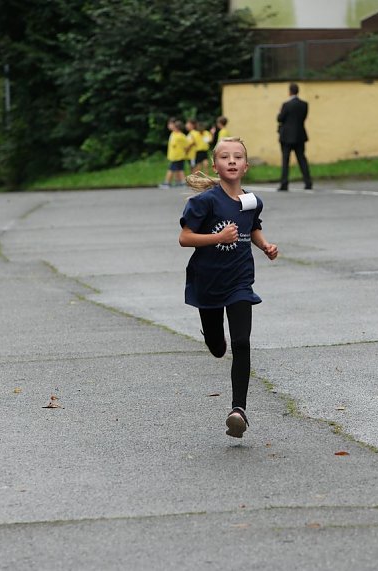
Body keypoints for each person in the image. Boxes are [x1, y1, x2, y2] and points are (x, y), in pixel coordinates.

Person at [179, 137, 278, 438]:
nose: (232, 161)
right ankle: (212, 337)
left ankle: (238, 411)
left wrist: (264, 246)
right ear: (215, 165)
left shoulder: (251, 200)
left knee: (242, 342)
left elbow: (253, 225)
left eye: (237, 157)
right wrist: (217, 238)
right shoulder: (204, 202)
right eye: (225, 157)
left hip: (239, 282)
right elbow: (185, 238)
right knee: (217, 346)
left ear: (246, 166)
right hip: (207, 282)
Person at [277, 83, 312, 191]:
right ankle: (308, 183)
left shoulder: (286, 105)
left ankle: (284, 184)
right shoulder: (304, 104)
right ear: (298, 91)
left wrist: (279, 113)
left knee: (285, 160)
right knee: (302, 159)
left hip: (286, 136)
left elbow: (280, 118)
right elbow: (303, 118)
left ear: (290, 91)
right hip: (300, 135)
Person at [159, 118, 189, 189]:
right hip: (179, 156)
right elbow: (186, 146)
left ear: (177, 128)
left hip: (176, 157)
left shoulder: (176, 136)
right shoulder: (180, 135)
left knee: (171, 169)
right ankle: (182, 182)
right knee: (180, 169)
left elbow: (176, 145)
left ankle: (167, 183)